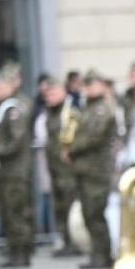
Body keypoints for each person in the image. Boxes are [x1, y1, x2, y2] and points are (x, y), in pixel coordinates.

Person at [64, 71, 121, 269]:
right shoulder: (87, 108)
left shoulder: (102, 109)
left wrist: (72, 149)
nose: (88, 89)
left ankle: (103, 254)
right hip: (85, 169)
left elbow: (94, 137)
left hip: (97, 170)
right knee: (89, 213)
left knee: (96, 213)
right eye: (86, 85)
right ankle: (98, 253)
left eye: (92, 85)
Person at [0, 73, 34, 268]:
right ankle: (14, 250)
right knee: (6, 212)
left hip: (14, 171)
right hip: (1, 171)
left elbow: (16, 141)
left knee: (16, 212)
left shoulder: (13, 109)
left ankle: (22, 253)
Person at [39, 78, 81, 257]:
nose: (49, 97)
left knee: (70, 206)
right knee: (60, 207)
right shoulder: (50, 113)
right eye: (47, 94)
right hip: (55, 168)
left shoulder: (70, 113)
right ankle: (66, 241)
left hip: (68, 170)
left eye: (53, 93)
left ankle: (75, 242)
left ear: (63, 92)